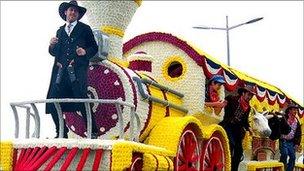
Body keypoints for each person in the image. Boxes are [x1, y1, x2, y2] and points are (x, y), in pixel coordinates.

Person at [46, 0, 98, 138]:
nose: (73, 12)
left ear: (78, 14)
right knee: (52, 101)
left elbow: (94, 48)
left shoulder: (85, 29)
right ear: (65, 12)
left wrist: (85, 52)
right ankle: (61, 131)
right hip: (61, 73)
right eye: (71, 10)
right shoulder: (60, 30)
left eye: (75, 11)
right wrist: (51, 46)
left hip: (77, 71)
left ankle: (93, 131)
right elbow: (55, 52)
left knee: (82, 100)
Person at [219, 85, 255, 171]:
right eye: (248, 95)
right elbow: (222, 108)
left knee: (239, 151)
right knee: (231, 144)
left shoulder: (248, 107)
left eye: (251, 96)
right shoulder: (231, 99)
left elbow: (245, 121)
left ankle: (234, 169)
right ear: (243, 93)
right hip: (227, 125)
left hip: (237, 129)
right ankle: (226, 167)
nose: (250, 97)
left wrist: (249, 128)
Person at [279, 104, 302, 171]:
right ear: (289, 110)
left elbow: (298, 134)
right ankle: (282, 169)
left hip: (291, 142)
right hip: (283, 140)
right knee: (284, 154)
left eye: (296, 110)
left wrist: (297, 143)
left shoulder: (297, 121)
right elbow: (279, 127)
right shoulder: (284, 118)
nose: (296, 111)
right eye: (294, 110)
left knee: (293, 157)